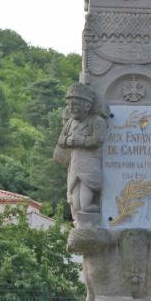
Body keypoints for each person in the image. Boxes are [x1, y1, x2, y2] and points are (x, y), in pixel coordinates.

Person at [53, 83, 107, 215]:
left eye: (75, 105)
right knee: (75, 197)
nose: (71, 108)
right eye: (69, 104)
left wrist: (82, 141)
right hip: (76, 162)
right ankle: (80, 213)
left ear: (87, 106)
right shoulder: (71, 122)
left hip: (89, 162)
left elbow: (99, 139)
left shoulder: (96, 120)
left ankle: (89, 207)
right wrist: (69, 141)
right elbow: (61, 140)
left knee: (86, 193)